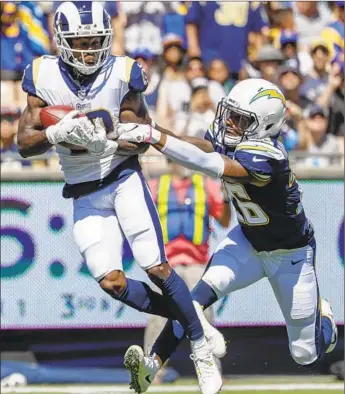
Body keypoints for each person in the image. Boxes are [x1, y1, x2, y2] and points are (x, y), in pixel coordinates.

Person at [16, 3, 222, 394]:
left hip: (122, 176)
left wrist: (106, 132)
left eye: (96, 41)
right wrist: (55, 135)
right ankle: (193, 319)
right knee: (112, 282)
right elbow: (24, 143)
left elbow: (140, 131)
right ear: (62, 42)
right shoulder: (41, 74)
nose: (90, 50)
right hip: (82, 191)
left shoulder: (123, 72)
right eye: (81, 42)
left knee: (156, 267)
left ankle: (200, 347)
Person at [118, 78, 338, 392]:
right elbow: (200, 145)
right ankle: (151, 366)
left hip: (291, 255)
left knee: (305, 354)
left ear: (265, 125)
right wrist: (155, 131)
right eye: (230, 114)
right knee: (189, 303)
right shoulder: (233, 135)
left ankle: (324, 320)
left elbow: (209, 163)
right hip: (248, 241)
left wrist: (155, 137)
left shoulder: (269, 157)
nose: (231, 123)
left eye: (242, 119)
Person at [144, 160, 231, 380]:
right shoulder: (157, 185)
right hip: (165, 264)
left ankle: (211, 371)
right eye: (175, 158)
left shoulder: (206, 186)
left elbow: (224, 219)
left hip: (197, 264)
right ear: (170, 162)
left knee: (203, 317)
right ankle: (151, 373)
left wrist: (227, 196)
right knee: (158, 318)